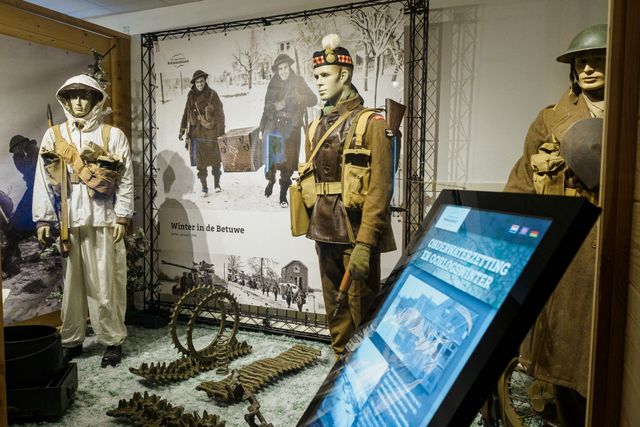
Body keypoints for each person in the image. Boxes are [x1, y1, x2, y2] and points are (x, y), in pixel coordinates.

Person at [504, 24, 606, 426]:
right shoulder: (549, 120)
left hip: (617, 256)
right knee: (565, 367)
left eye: (598, 60)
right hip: (566, 260)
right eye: (582, 62)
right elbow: (520, 186)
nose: (588, 69)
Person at [32, 73, 134, 368]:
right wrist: (43, 219)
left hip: (103, 218)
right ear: (65, 100)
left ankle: (112, 340)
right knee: (72, 286)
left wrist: (122, 216)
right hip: (70, 220)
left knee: (105, 284)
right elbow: (43, 178)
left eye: (84, 96)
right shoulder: (54, 136)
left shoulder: (112, 135)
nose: (78, 102)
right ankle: (72, 339)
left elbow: (125, 179)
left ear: (95, 100)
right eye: (73, 96)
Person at [304, 34, 396, 357]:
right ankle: (340, 364)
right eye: (316, 76)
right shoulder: (315, 127)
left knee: (362, 311)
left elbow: (380, 190)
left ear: (344, 75)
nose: (319, 82)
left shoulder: (372, 124)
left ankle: (367, 373)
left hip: (355, 234)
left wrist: (366, 244)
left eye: (325, 75)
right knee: (336, 310)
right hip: (323, 229)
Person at [259, 54, 317, 207]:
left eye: (285, 67)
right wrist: (262, 127)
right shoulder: (272, 84)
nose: (283, 71)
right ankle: (271, 181)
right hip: (275, 127)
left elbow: (313, 99)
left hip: (292, 128)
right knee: (272, 161)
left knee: (288, 164)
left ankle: (282, 195)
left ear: (289, 67)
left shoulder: (298, 81)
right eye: (280, 68)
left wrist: (299, 98)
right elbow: (266, 107)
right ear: (277, 70)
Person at [179, 70, 225, 196]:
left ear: (205, 81)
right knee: (200, 163)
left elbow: (220, 115)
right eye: (197, 82)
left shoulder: (212, 94)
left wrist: (220, 133)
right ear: (194, 83)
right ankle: (204, 188)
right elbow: (186, 113)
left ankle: (217, 184)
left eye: (201, 81)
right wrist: (182, 129)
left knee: (215, 160)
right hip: (196, 133)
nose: (200, 84)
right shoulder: (191, 96)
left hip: (211, 133)